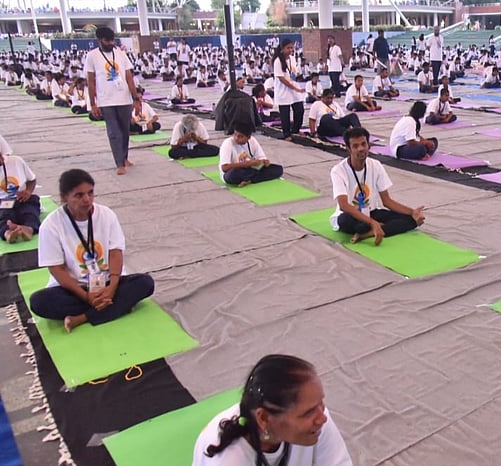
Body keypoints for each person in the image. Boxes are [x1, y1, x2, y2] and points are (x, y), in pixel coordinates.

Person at [29, 169, 155, 332]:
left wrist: (112, 287)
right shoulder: (51, 225)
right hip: (75, 288)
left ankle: (81, 318)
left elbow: (115, 252)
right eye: (79, 195)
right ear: (64, 197)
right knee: (39, 302)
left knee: (145, 283)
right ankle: (118, 307)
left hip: (108, 284)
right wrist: (86, 297)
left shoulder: (106, 215)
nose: (87, 199)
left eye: (90, 193)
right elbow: (56, 269)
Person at [193, 355, 353, 466]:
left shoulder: (317, 421)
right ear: (264, 419)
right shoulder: (229, 460)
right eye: (308, 412)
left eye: (321, 403)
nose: (322, 417)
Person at [330, 127, 425, 245]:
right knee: (344, 221)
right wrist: (372, 222)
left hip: (372, 212)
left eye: (363, 144)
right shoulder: (338, 171)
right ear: (348, 149)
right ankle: (375, 228)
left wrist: (412, 212)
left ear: (368, 145)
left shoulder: (376, 165)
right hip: (351, 215)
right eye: (355, 146)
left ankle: (367, 233)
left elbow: (387, 201)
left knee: (411, 220)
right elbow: (344, 206)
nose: (361, 149)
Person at [85, 27, 142, 175]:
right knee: (114, 132)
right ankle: (119, 163)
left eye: (112, 40)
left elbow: (129, 76)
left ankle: (124, 157)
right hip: (106, 100)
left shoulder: (121, 54)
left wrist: (136, 97)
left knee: (125, 131)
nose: (111, 43)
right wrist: (93, 103)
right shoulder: (92, 56)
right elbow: (91, 81)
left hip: (124, 98)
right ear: (99, 40)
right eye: (107, 41)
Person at [218, 123, 284, 187]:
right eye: (235, 135)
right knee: (234, 174)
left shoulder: (253, 141)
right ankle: (252, 179)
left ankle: (249, 180)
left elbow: (262, 158)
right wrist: (247, 164)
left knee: (278, 169)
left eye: (240, 136)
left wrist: (264, 162)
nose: (236, 138)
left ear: (248, 137)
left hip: (250, 170)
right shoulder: (227, 143)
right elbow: (224, 168)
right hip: (233, 172)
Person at [0, 152, 40, 243]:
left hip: (21, 198)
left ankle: (28, 229)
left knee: (30, 210)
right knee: (4, 216)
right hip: (2, 203)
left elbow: (32, 180)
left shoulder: (16, 161)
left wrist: (28, 192)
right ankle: (8, 233)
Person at [273, 39, 306, 140]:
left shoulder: (292, 59)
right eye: (288, 48)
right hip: (283, 90)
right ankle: (286, 134)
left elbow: (293, 73)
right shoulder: (277, 61)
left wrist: (298, 79)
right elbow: (282, 79)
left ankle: (295, 130)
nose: (290, 50)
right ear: (282, 49)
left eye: (291, 47)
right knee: (285, 114)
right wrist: (295, 88)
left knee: (300, 109)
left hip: (293, 88)